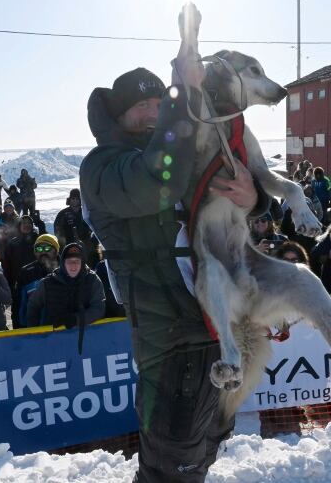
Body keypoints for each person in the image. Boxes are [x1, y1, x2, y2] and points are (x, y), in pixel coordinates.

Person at [80, 52, 272, 480]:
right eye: (141, 107)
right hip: (170, 345)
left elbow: (226, 204)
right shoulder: (105, 166)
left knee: (207, 445)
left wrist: (254, 197)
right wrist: (182, 94)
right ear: (120, 115)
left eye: (158, 104)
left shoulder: (177, 156)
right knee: (171, 464)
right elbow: (155, 186)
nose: (152, 114)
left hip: (217, 332)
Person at [25, 242, 106, 332]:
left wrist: (76, 319)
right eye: (69, 261)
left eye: (77, 261)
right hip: (53, 338)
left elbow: (99, 308)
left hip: (85, 336)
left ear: (82, 262)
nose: (73, 265)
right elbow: (33, 305)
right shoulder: (48, 282)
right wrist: (35, 332)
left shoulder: (93, 280)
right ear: (63, 263)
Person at [16, 234, 60, 327]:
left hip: (62, 330)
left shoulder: (67, 269)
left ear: (56, 251)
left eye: (47, 248)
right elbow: (18, 305)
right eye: (39, 249)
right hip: (35, 331)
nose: (43, 252)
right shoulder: (26, 272)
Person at [54, 189, 95, 265]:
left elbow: (92, 229)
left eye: (77, 199)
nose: (75, 201)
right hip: (68, 246)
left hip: (86, 247)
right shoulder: (63, 214)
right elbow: (58, 232)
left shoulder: (86, 213)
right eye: (73, 198)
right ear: (70, 199)